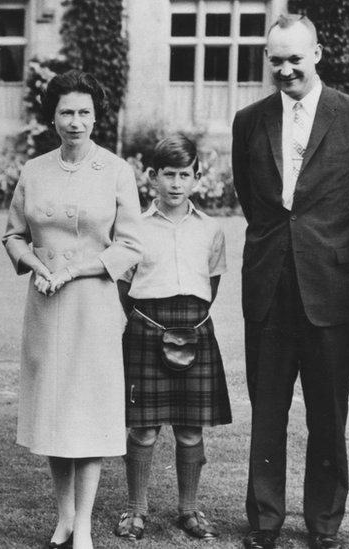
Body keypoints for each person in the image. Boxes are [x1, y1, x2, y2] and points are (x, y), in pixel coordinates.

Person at [231, 14, 349, 549]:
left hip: (333, 289)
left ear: (317, 54)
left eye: (295, 58)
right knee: (267, 412)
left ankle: (324, 526)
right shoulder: (248, 120)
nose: (286, 69)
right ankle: (265, 523)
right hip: (269, 287)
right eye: (276, 60)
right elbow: (257, 205)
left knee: (329, 414)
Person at [2, 69, 143, 549]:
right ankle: (63, 518)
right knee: (54, 414)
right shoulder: (34, 170)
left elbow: (130, 245)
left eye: (84, 112)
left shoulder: (117, 171)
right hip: (45, 305)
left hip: (93, 306)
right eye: (66, 112)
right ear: (53, 116)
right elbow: (13, 234)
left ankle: (83, 524)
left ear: (97, 116)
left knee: (87, 415)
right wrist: (35, 265)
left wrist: (75, 270)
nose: (75, 121)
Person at [113, 135, 231, 542]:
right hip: (147, 326)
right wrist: (149, 323)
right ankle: (135, 510)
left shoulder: (211, 228)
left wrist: (187, 321)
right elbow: (124, 287)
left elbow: (211, 284)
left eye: (185, 175)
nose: (177, 184)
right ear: (151, 177)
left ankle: (189, 509)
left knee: (189, 429)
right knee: (143, 428)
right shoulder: (134, 228)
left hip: (194, 328)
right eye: (168, 174)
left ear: (196, 177)